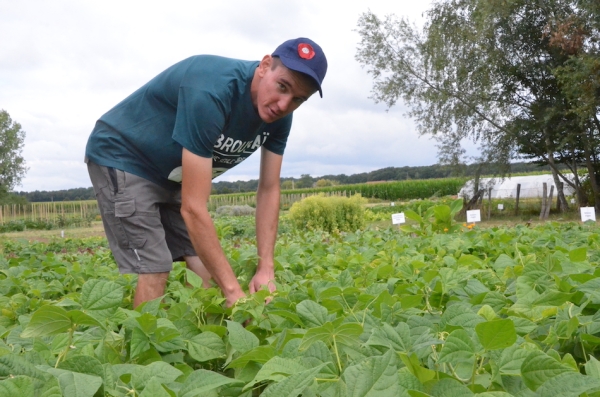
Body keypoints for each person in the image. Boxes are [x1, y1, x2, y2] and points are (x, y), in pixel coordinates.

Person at [85, 38, 327, 308]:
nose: (283, 104)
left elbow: (269, 189)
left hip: (171, 173)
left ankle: (200, 340)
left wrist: (266, 268)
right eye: (282, 87)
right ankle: (141, 347)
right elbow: (193, 208)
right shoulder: (213, 91)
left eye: (297, 99)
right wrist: (234, 292)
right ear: (265, 65)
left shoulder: (279, 117)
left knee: (202, 266)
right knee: (156, 267)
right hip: (124, 155)